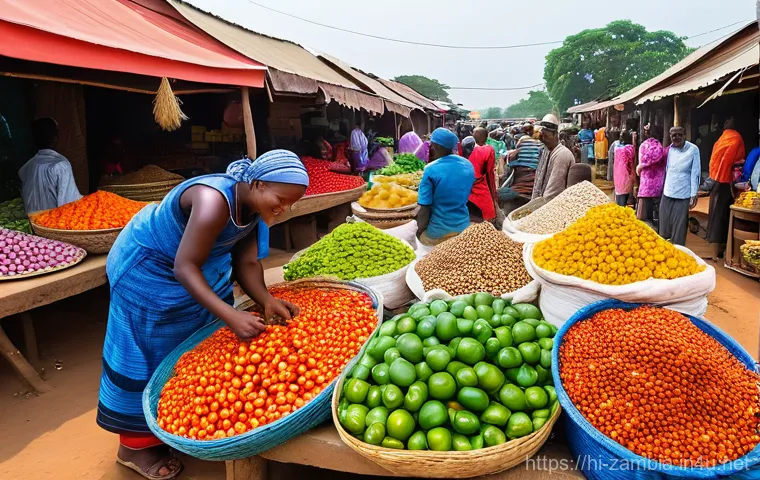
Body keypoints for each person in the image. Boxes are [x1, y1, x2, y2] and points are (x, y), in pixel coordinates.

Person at [97, 150, 309, 479]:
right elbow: (184, 267)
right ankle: (134, 446)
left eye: (291, 204)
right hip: (148, 268)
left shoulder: (251, 207)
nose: (284, 209)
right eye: (280, 199)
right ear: (257, 184)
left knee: (194, 341)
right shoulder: (214, 201)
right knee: (147, 351)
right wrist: (232, 315)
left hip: (191, 267)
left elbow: (247, 262)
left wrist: (265, 299)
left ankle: (172, 420)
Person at [416, 128, 475, 246]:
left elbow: (425, 207)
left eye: (432, 144)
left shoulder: (431, 169)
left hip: (438, 232)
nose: (431, 148)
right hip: (463, 227)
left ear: (436, 146)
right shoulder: (468, 165)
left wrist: (419, 232)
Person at [18, 117, 81, 214]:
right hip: (52, 225)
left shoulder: (26, 167)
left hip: (33, 224)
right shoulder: (61, 165)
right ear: (55, 138)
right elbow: (69, 204)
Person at [707, 117, 745, 255]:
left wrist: (715, 177)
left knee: (717, 213)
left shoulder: (724, 138)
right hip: (727, 181)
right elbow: (729, 160)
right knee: (722, 214)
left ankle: (716, 248)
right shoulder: (736, 139)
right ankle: (718, 249)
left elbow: (720, 160)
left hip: (717, 179)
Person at [660, 126, 701, 246]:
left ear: (684, 135)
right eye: (673, 135)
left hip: (683, 193)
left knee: (679, 228)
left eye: (679, 135)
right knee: (664, 226)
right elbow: (667, 170)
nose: (676, 137)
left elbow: (695, 173)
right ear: (670, 137)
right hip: (667, 191)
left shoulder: (693, 149)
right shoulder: (669, 150)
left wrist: (694, 194)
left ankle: (678, 252)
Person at [532, 114, 575, 200]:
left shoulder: (562, 154)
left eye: (546, 135)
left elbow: (553, 191)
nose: (542, 137)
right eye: (542, 134)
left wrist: (540, 209)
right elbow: (538, 180)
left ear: (555, 134)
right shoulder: (546, 150)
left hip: (556, 204)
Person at [636, 125, 667, 224]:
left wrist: (641, 166)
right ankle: (658, 222)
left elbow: (644, 160)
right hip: (658, 179)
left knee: (647, 204)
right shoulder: (660, 146)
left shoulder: (645, 145)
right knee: (657, 203)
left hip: (647, 179)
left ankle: (648, 221)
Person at [467, 128, 498, 222]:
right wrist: (493, 195)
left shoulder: (464, 146)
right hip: (479, 185)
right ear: (485, 137)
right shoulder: (488, 150)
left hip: (464, 186)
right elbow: (489, 174)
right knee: (488, 213)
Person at [613, 131, 635, 207]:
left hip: (618, 174)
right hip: (626, 175)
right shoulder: (630, 149)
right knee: (624, 196)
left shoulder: (617, 148)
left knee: (619, 195)